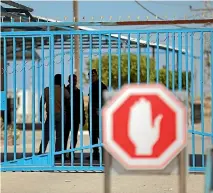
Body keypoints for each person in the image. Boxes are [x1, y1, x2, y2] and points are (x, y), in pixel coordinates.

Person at [38, 74, 70, 160]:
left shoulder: (47, 90)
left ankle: (41, 152)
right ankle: (57, 154)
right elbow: (69, 99)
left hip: (50, 115)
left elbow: (41, 103)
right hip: (61, 115)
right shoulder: (64, 90)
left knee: (46, 134)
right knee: (59, 136)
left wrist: (41, 115)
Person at [87, 69, 107, 160]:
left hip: (98, 114)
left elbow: (105, 99)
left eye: (93, 75)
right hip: (92, 114)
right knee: (93, 134)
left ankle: (104, 154)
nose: (91, 77)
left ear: (96, 75)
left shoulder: (101, 86)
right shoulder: (92, 86)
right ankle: (95, 153)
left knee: (100, 134)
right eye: (89, 75)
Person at [64, 74, 86, 159]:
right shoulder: (65, 90)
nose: (74, 81)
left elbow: (82, 105)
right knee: (65, 136)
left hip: (76, 118)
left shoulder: (79, 92)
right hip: (67, 117)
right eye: (73, 80)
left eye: (75, 80)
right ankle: (63, 153)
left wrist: (83, 118)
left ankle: (71, 153)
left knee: (74, 137)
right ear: (69, 80)